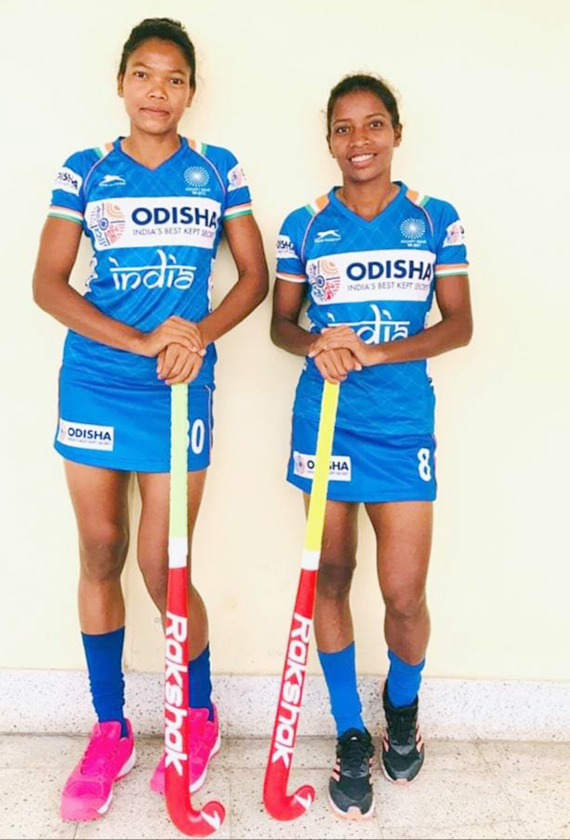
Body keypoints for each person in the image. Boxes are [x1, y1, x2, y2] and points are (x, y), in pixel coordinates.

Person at [33, 17, 268, 822]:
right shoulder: (86, 169)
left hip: (179, 384)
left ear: (191, 91)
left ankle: (196, 716)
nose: (156, 90)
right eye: (143, 74)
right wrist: (137, 340)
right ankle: (111, 729)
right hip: (98, 378)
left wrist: (196, 335)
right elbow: (49, 284)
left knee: (164, 565)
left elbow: (253, 276)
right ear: (121, 84)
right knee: (100, 550)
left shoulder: (218, 169)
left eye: (173, 77)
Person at [272, 74, 472, 820]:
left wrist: (377, 352)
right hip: (325, 419)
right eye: (344, 128)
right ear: (329, 140)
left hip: (401, 423)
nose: (359, 140)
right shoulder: (304, 223)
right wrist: (317, 344)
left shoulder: (434, 218)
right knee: (331, 575)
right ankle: (351, 731)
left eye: (374, 124)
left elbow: (459, 324)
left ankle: (402, 708)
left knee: (404, 594)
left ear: (396, 133)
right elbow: (281, 325)